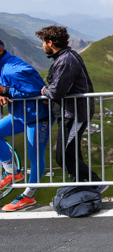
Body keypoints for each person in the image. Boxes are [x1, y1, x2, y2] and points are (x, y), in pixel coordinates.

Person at [36, 25, 102, 186]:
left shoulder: (66, 60)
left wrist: (45, 92)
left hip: (73, 114)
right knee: (71, 154)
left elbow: (57, 90)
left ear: (50, 42)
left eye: (43, 42)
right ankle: (81, 187)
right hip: (69, 112)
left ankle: (96, 183)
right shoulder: (65, 57)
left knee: (63, 156)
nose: (42, 46)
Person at [0, 39, 52, 211]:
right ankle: (12, 171)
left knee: (35, 156)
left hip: (37, 117)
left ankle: (28, 195)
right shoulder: (4, 65)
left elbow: (39, 89)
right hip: (20, 114)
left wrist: (6, 91)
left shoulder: (13, 69)